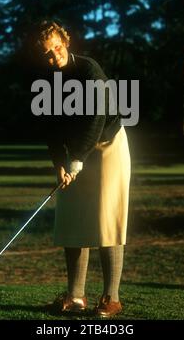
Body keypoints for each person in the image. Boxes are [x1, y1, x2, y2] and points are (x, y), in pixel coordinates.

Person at [33, 20, 131, 318]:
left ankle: (111, 298)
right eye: (48, 53)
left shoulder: (90, 71)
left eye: (58, 48)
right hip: (77, 153)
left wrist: (75, 160)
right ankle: (76, 297)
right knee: (72, 217)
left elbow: (96, 119)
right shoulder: (47, 82)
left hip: (108, 147)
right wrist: (60, 165)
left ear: (66, 41)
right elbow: (50, 130)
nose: (54, 56)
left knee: (105, 220)